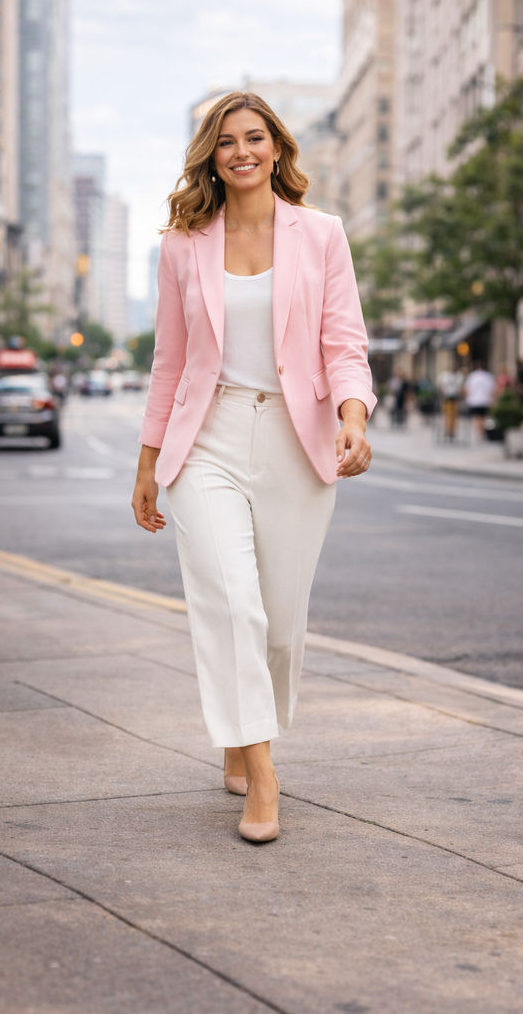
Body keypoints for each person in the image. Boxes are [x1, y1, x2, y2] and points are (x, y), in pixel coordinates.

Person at [131, 92, 376, 844]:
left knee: (278, 622)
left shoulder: (323, 234)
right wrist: (147, 464)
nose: (242, 151)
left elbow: (344, 344)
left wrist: (352, 417)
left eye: (255, 137)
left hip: (296, 439)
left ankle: (246, 731)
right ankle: (261, 777)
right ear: (211, 154)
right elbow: (168, 363)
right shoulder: (182, 245)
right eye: (227, 141)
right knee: (231, 603)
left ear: (276, 148)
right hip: (207, 436)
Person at [463, 359, 495, 440]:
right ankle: (481, 432)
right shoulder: (488, 376)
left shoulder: (472, 376)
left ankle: (479, 432)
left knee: (476, 417)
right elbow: (492, 389)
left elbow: (467, 389)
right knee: (483, 417)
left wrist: (467, 398)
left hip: (474, 400)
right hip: (484, 400)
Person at [436, 361, 464, 441]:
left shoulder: (459, 376)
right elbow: (440, 385)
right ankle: (447, 430)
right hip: (446, 397)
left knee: (454, 416)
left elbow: (460, 387)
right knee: (446, 415)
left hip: (455, 397)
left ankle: (452, 430)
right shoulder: (444, 375)